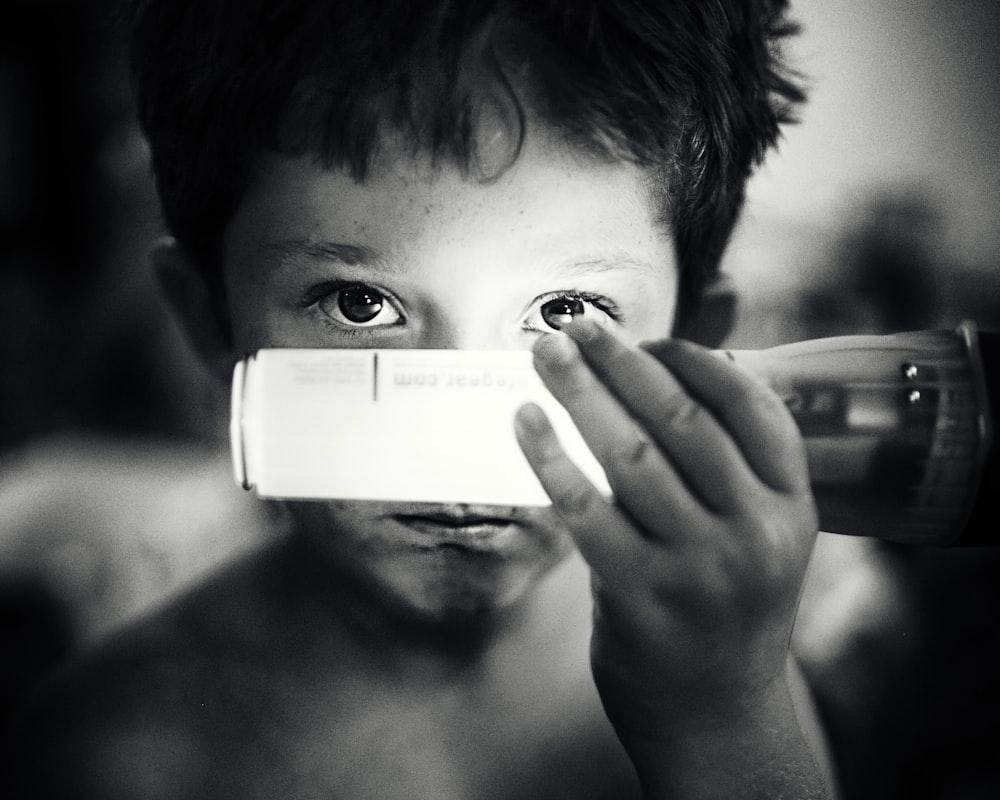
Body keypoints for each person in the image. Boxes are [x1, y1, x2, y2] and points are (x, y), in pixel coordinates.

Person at [2, 1, 836, 797]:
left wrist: (724, 730)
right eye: (359, 305)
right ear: (209, 322)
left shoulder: (719, 673)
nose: (463, 450)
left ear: (690, 341)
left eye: (565, 312)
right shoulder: (116, 756)